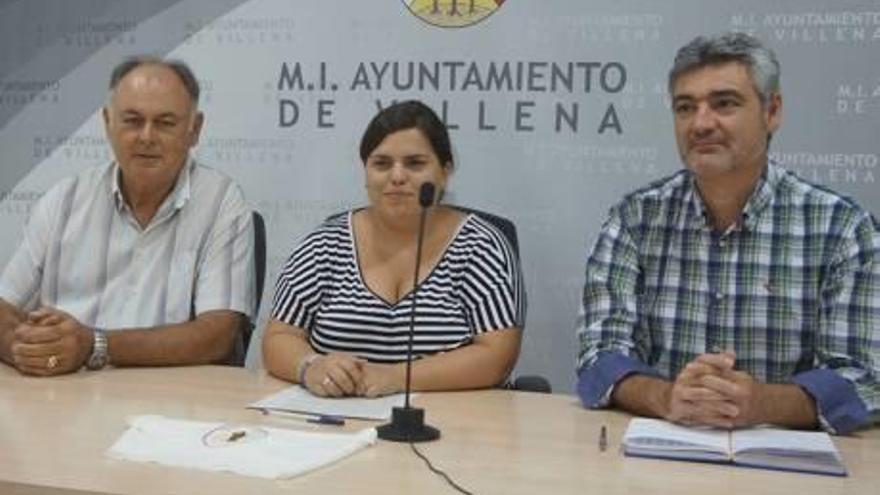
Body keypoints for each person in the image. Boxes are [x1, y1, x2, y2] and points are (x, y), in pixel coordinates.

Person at [576, 32, 879, 434]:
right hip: (661, 450)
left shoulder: (842, 228)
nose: (701, 123)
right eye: (686, 107)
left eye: (724, 104)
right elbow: (599, 356)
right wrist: (667, 397)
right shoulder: (635, 218)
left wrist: (759, 403)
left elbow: (864, 379)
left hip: (789, 464)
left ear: (772, 111)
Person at [0, 57, 255, 375]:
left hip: (164, 403)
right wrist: (29, 350)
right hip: (61, 391)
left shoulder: (221, 203)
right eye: (132, 120)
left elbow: (218, 334)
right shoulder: (63, 200)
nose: (146, 136)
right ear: (108, 123)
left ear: (195, 129)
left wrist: (93, 345)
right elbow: (4, 306)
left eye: (165, 123)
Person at [263, 100, 524, 397]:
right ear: (366, 172)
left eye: (415, 163)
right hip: (338, 420)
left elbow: (497, 356)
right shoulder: (324, 244)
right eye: (381, 164)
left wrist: (395, 377)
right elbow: (279, 336)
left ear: (445, 171)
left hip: (455, 426)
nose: (397, 177)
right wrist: (310, 365)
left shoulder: (481, 246)